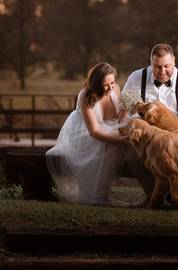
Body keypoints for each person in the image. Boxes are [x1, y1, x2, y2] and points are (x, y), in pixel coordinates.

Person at [46, 62, 131, 205]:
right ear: (96, 83)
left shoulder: (115, 89)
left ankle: (153, 190)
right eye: (106, 85)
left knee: (133, 139)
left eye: (112, 82)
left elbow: (117, 118)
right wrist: (121, 140)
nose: (110, 87)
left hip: (109, 127)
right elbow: (95, 131)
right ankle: (100, 195)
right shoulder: (86, 95)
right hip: (85, 133)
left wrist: (124, 112)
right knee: (115, 146)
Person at [122, 43, 178, 132]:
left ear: (174, 61)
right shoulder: (136, 77)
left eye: (166, 66)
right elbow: (123, 106)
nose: (162, 72)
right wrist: (127, 120)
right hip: (146, 135)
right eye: (157, 67)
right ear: (151, 62)